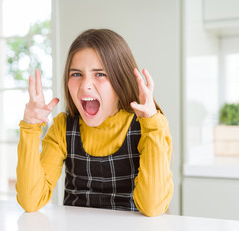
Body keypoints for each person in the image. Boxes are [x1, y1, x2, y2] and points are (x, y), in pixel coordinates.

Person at [16, 29, 173, 217]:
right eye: (76, 74)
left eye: (99, 74)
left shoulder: (149, 126)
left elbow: (152, 207)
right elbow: (30, 201)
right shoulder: (63, 127)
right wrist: (30, 128)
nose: (85, 85)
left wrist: (152, 125)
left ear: (120, 79)